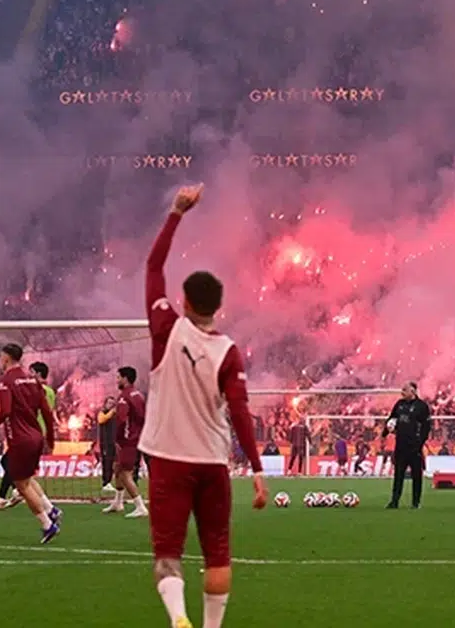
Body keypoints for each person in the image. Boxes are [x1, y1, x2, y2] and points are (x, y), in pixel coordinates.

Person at [138, 184, 268, 628]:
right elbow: (240, 412)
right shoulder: (228, 352)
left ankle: (179, 618)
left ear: (185, 302)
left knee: (167, 555)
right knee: (218, 552)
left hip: (168, 458)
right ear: (219, 307)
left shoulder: (165, 328)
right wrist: (256, 469)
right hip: (212, 462)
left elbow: (153, 266)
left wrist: (176, 211)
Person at [0, 343, 60, 543]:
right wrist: (50, 438)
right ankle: (51, 510)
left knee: (21, 485)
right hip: (36, 436)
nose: (0, 360)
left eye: (1, 357)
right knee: (27, 479)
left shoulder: (6, 380)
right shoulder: (33, 380)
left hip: (20, 439)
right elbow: (47, 412)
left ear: (6, 358)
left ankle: (47, 524)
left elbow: (5, 411)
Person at [103, 366, 148, 518]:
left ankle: (140, 506)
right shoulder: (138, 395)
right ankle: (118, 502)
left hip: (127, 440)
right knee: (117, 468)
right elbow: (142, 417)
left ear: (125, 379)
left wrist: (119, 438)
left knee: (125, 473)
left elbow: (122, 420)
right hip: (137, 437)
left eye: (118, 377)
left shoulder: (124, 397)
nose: (116, 380)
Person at [384, 381, 431, 509]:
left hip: (415, 446)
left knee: (417, 475)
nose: (402, 392)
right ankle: (394, 501)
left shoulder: (422, 406)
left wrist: (420, 443)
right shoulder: (399, 404)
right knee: (398, 475)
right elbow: (391, 418)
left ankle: (416, 502)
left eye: (405, 390)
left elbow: (426, 427)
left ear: (413, 391)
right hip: (400, 445)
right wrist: (385, 432)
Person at [97, 396, 118, 493]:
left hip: (113, 442)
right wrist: (112, 412)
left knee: (112, 462)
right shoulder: (102, 412)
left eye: (112, 404)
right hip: (105, 442)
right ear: (105, 403)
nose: (111, 405)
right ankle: (106, 483)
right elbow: (101, 420)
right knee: (106, 462)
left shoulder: (114, 415)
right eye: (109, 403)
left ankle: (109, 481)